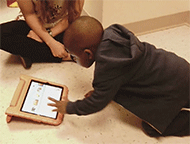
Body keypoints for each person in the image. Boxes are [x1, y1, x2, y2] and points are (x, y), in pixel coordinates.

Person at [48, 16, 190, 137]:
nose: (73, 59)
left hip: (171, 88)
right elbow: (120, 78)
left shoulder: (108, 68)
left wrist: (69, 107)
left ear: (88, 54)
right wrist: (104, 92)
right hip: (180, 70)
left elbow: (96, 103)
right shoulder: (113, 34)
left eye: (74, 56)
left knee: (150, 128)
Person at [0, 0, 84, 68]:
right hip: (33, 26)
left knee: (86, 32)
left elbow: (74, 14)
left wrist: (50, 35)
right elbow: (29, 15)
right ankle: (66, 56)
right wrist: (50, 42)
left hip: (61, 27)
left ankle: (30, 52)